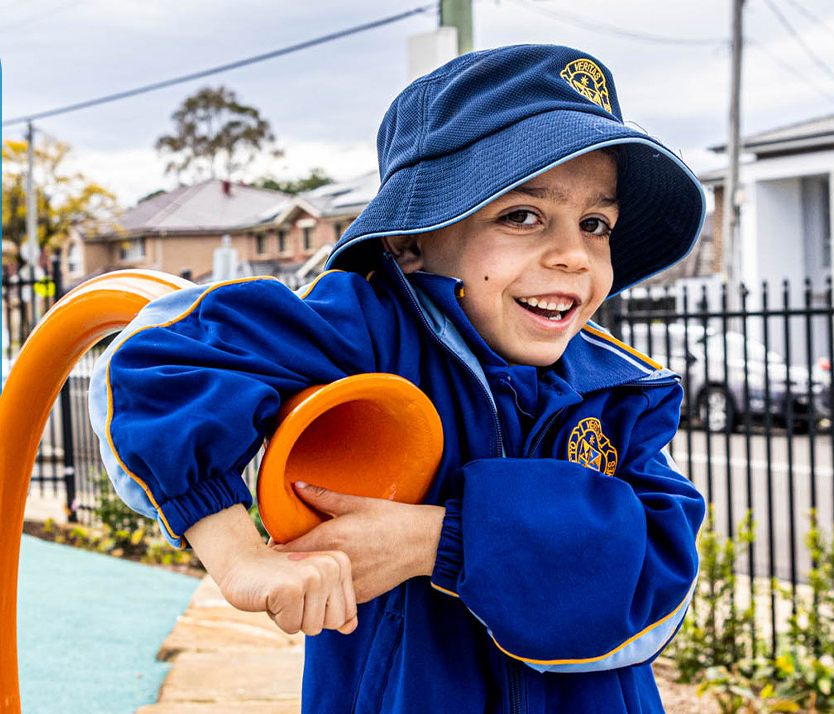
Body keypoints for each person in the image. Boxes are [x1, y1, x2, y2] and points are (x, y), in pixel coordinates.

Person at [87, 44, 707, 713]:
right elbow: (158, 364)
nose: (573, 255)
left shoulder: (621, 393)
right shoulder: (370, 331)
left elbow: (659, 573)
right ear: (410, 240)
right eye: (522, 216)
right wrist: (238, 556)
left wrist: (435, 539)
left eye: (595, 224)